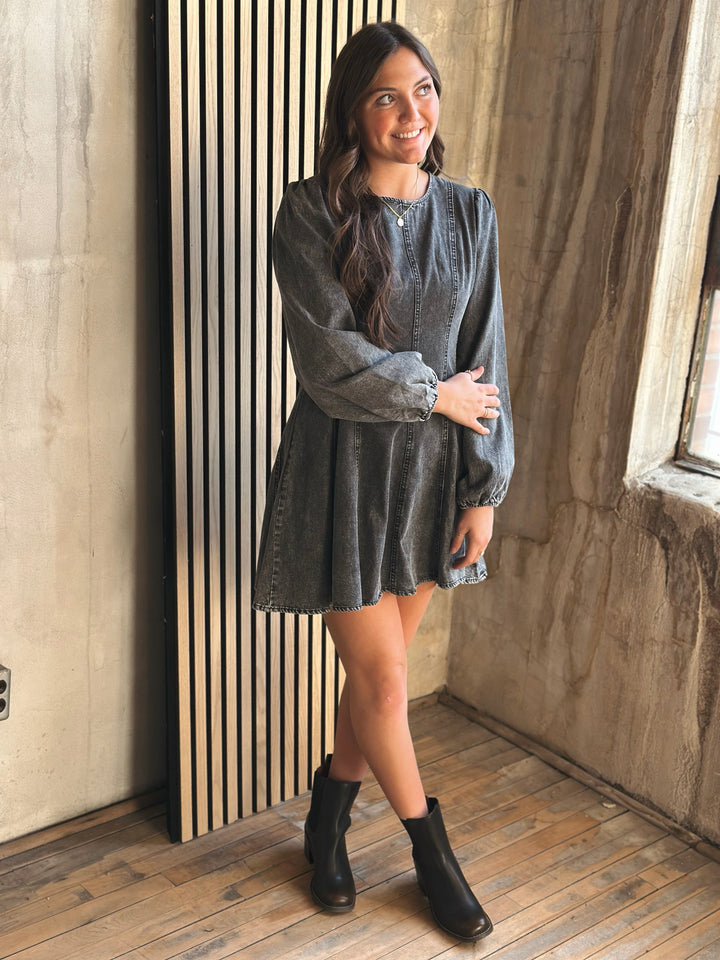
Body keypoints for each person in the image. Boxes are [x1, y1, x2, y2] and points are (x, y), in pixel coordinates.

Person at [253, 20, 513, 943]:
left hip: (433, 482)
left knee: (378, 686)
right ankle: (430, 855)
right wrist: (431, 393)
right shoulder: (310, 211)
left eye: (424, 91)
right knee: (387, 678)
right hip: (342, 475)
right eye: (386, 96)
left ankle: (326, 824)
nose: (412, 113)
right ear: (354, 113)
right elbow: (328, 361)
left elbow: (487, 363)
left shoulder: (470, 213)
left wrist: (484, 489)